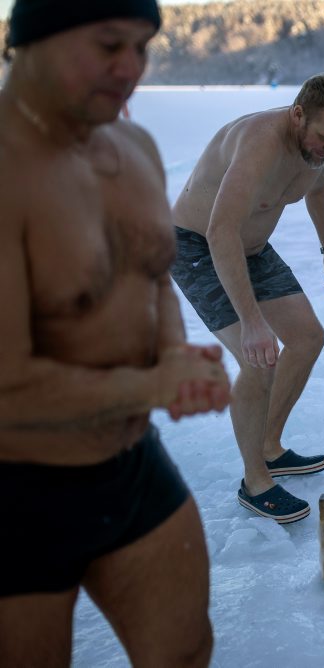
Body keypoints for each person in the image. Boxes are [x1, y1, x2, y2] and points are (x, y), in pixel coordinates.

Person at [0, 1, 231, 665]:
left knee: (185, 652)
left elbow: (152, 274)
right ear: (32, 42)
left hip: (128, 461)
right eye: (109, 44)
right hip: (14, 490)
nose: (130, 68)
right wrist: (153, 381)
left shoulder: (135, 149)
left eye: (142, 47)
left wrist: (173, 360)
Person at [171, 74, 324, 523]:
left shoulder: (318, 148)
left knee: (308, 338)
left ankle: (270, 447)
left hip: (252, 249)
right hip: (200, 246)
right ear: (298, 114)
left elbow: (319, 189)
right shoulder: (258, 144)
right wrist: (252, 321)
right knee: (259, 359)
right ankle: (255, 482)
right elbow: (220, 231)